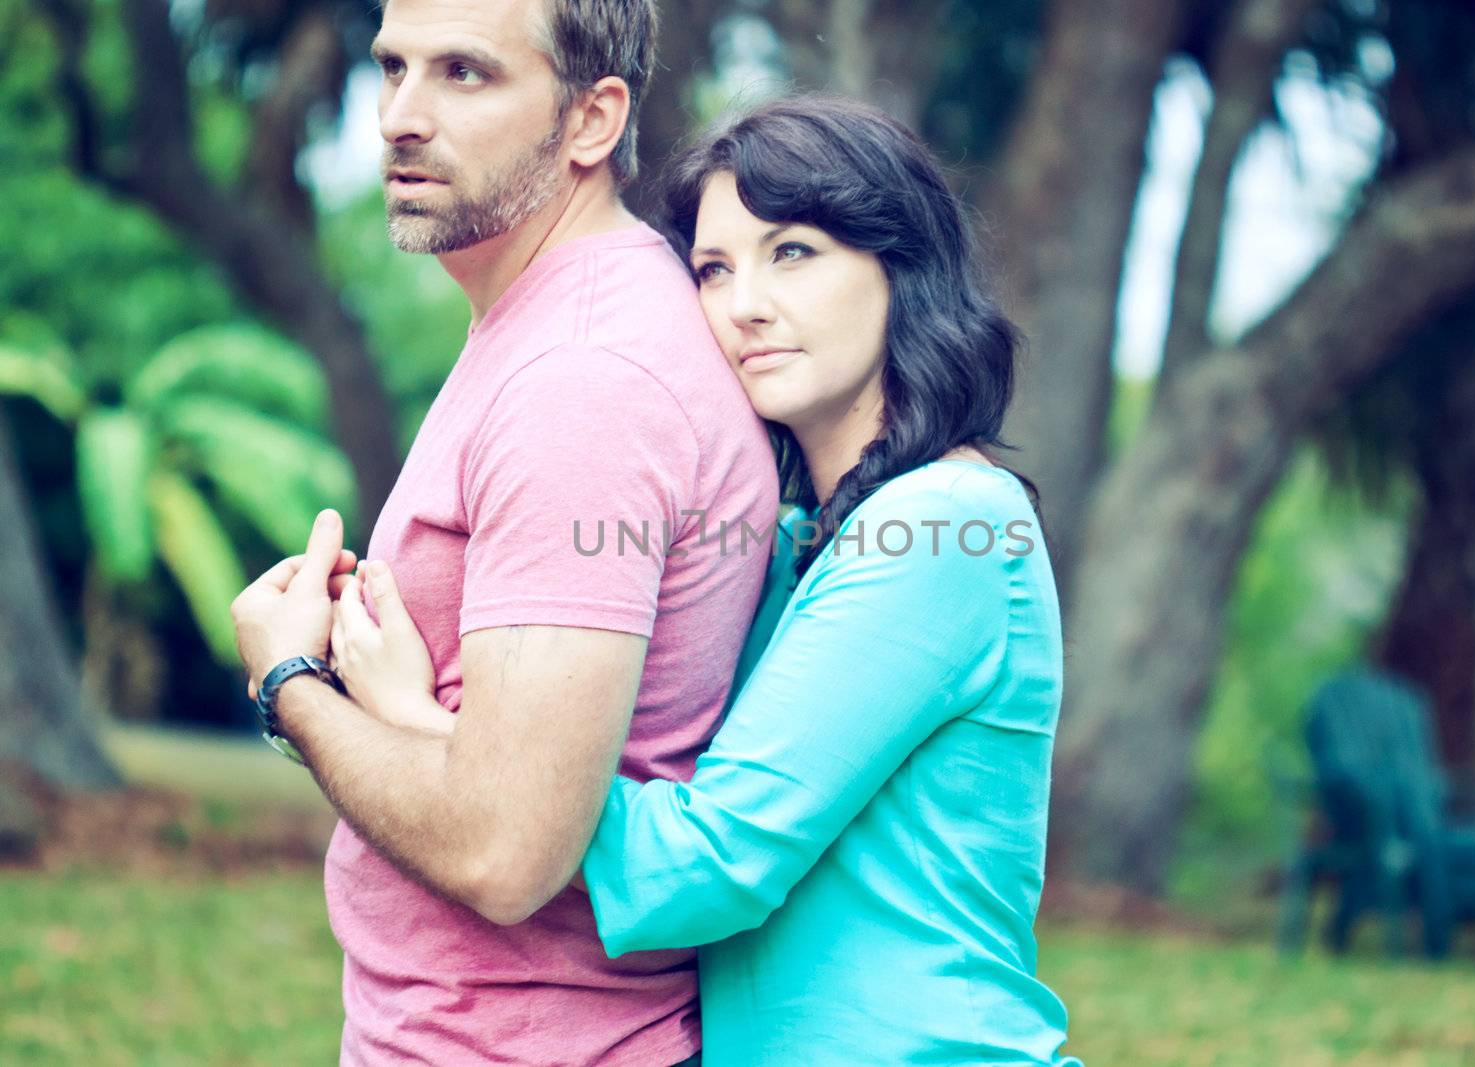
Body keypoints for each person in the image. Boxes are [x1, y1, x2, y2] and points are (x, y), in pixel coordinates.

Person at [332, 95, 1082, 1065]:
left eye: (794, 252)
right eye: (714, 268)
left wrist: (421, 725)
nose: (744, 304)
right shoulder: (805, 537)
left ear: (902, 266)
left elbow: (703, 862)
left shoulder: (942, 523)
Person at [227, 0, 776, 1063]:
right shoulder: (542, 321)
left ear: (591, 120)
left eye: (464, 74)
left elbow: (506, 845)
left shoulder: (583, 379)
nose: (398, 116)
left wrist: (289, 682)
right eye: (393, 67)